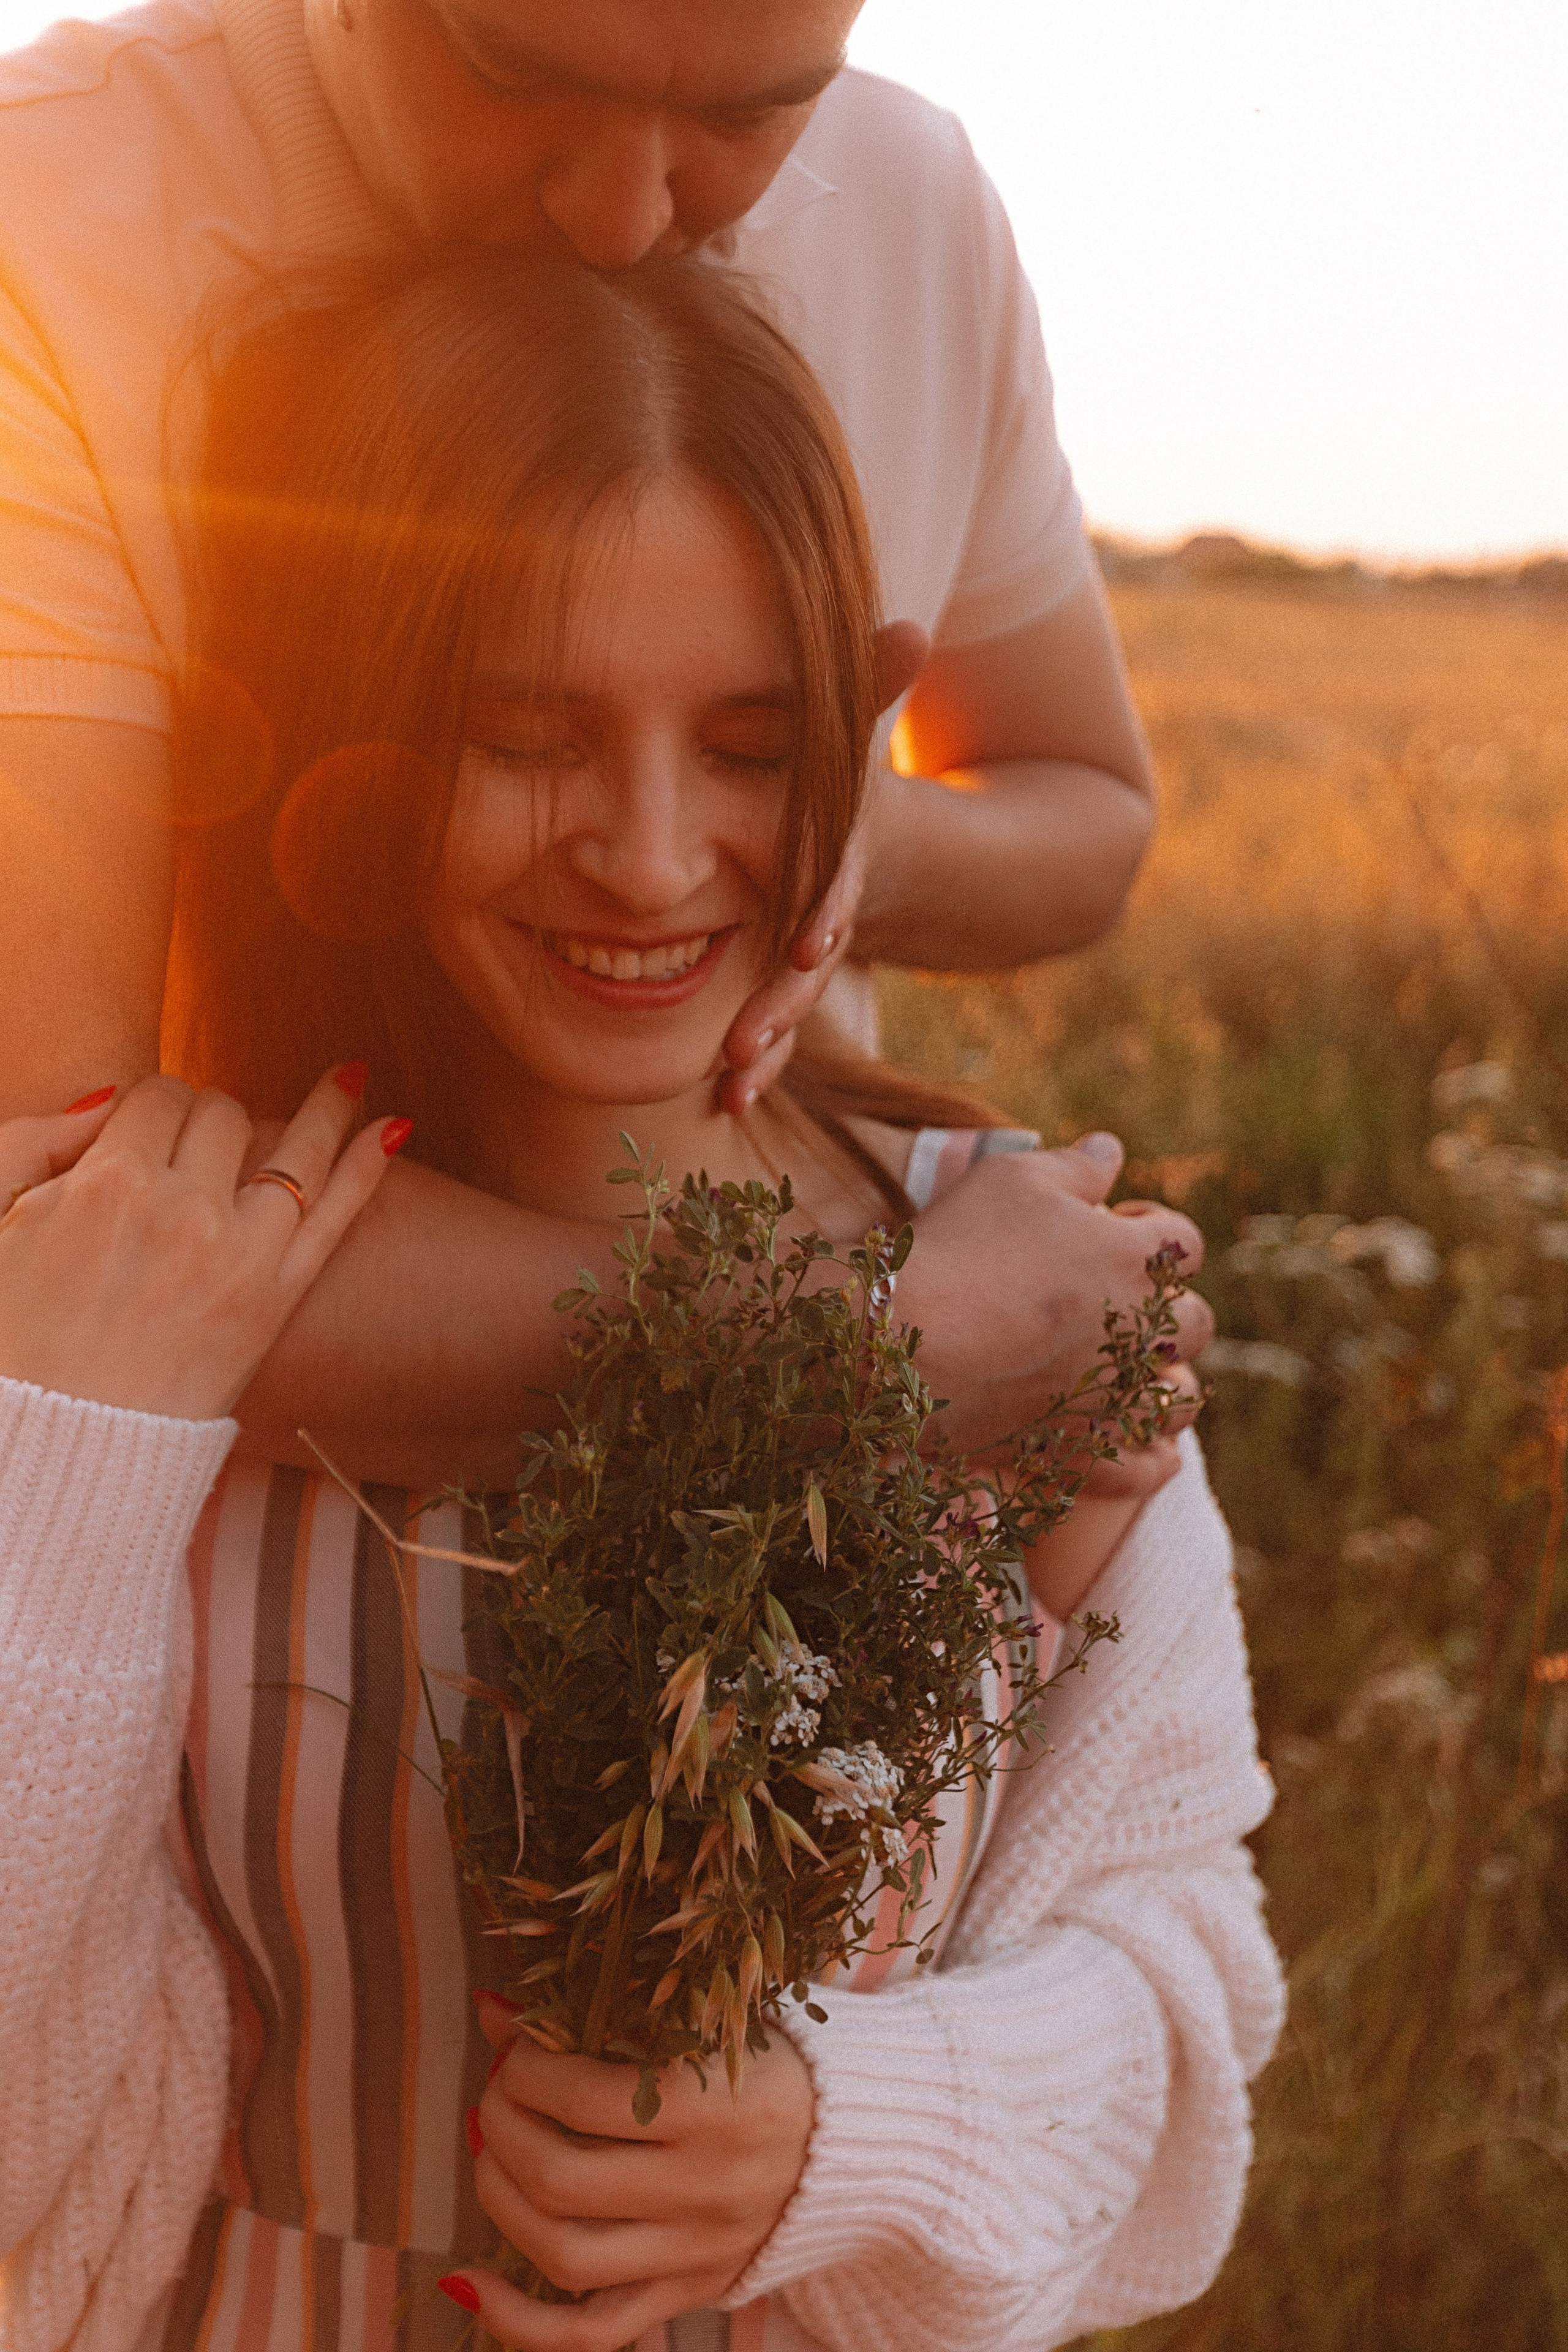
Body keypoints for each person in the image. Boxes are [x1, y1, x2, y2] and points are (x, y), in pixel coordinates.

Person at [1, 246, 1282, 2352]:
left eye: (754, 744)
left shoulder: (1023, 1281)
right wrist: (67, 1475)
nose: (652, 849)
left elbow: (1188, 1989)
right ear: (369, 736)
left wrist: (840, 2137)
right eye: (531, 734)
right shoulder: (179, 1293)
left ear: (862, 746)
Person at [0, 0, 1214, 1488]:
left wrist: (834, 829)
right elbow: (55, 1237)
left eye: (749, 116)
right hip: (196, 1527)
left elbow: (1083, 807)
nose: (625, 214)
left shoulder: (916, 204)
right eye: (511, 75)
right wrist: (874, 1351)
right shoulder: (46, 215)